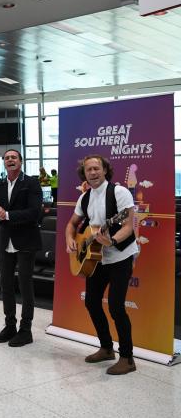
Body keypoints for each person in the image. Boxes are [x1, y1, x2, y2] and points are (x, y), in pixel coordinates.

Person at [65, 155, 138, 375]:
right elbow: (72, 224)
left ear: (105, 170)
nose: (93, 172)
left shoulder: (119, 192)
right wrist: (69, 239)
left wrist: (112, 241)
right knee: (92, 302)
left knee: (116, 307)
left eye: (97, 168)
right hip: (96, 259)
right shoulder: (85, 197)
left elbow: (128, 225)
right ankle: (106, 348)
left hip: (120, 256)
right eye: (89, 169)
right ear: (84, 174)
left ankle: (127, 358)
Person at [0, 149, 42, 347]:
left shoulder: (31, 183)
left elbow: (34, 212)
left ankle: (26, 330)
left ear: (21, 161)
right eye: (7, 158)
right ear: (4, 162)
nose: (10, 160)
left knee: (25, 285)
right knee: (5, 284)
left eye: (14, 157)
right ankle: (10, 325)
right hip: (6, 240)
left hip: (26, 240)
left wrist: (7, 215)